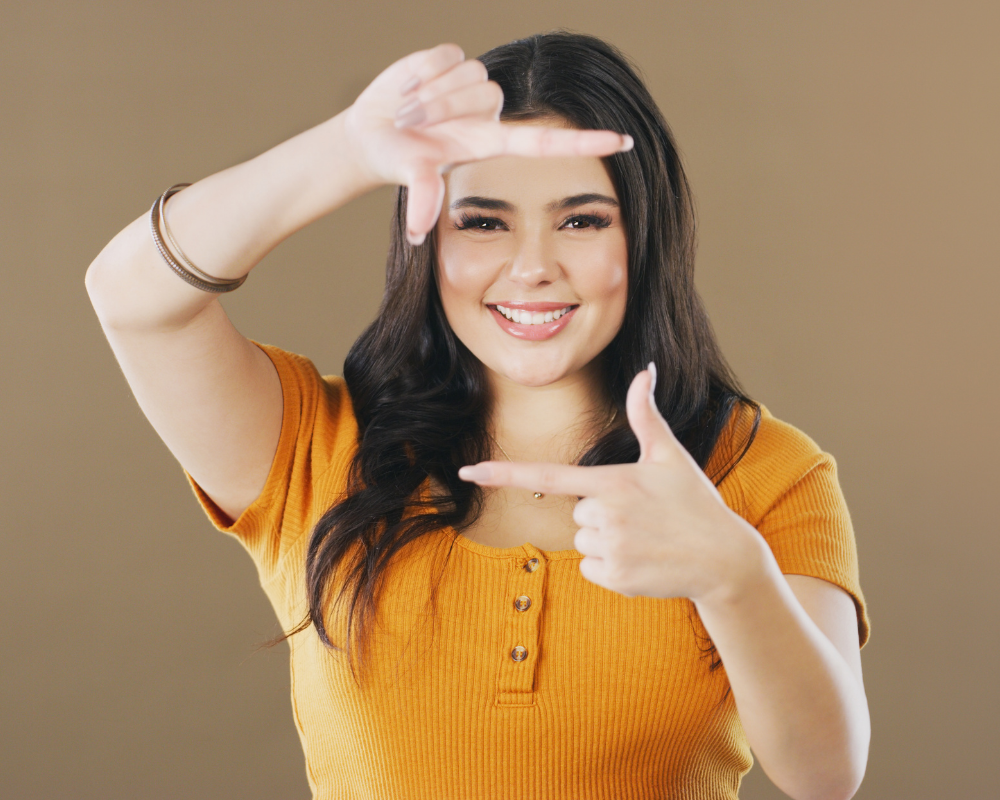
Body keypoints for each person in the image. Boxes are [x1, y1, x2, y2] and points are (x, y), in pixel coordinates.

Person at [86, 31, 870, 800]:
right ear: (427, 237)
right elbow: (131, 297)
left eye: (582, 219)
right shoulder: (311, 447)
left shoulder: (769, 473)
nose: (531, 267)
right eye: (484, 221)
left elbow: (825, 775)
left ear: (645, 236)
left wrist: (735, 577)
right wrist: (347, 151)